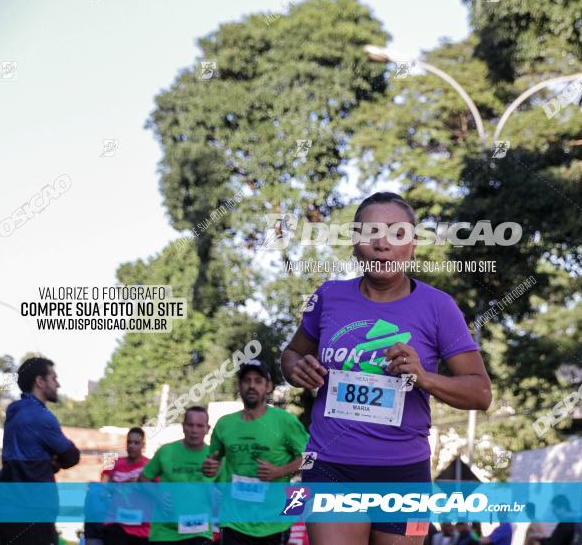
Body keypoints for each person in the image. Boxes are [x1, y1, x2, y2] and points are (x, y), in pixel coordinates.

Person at [281, 192, 492, 545]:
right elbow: (290, 355)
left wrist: (424, 377)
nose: (382, 245)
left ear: (413, 245)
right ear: (354, 242)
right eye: (371, 232)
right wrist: (296, 368)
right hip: (331, 466)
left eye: (396, 233)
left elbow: (481, 393)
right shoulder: (329, 296)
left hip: (404, 472)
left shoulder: (439, 307)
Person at [201, 359, 309, 545]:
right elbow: (214, 464)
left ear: (268, 387)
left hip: (274, 522)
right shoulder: (225, 425)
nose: (252, 385)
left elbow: (312, 459)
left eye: (258, 380)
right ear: (239, 386)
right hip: (233, 521)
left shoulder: (284, 421)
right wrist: (210, 468)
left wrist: (280, 471)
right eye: (246, 380)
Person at [0, 357, 81, 545]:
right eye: (54, 377)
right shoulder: (40, 417)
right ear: (40, 382)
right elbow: (72, 456)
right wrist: (54, 463)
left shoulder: (14, 412)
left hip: (8, 509)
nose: (58, 384)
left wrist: (46, 462)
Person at [139, 406, 216, 545]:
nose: (194, 430)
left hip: (199, 532)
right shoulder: (166, 451)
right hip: (164, 534)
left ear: (207, 429)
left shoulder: (215, 456)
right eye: (190, 425)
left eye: (199, 426)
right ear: (183, 426)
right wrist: (157, 496)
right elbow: (143, 479)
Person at [104, 428, 151, 545]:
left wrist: (141, 484)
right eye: (129, 442)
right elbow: (106, 490)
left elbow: (159, 492)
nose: (132, 446)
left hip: (142, 527)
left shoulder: (150, 466)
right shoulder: (115, 463)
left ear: (143, 445)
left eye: (136, 443)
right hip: (116, 524)